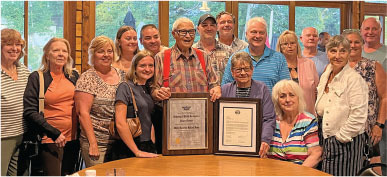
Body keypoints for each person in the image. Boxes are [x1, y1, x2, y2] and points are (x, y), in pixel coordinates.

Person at [23, 38, 80, 176]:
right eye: (56, 50)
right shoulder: (37, 77)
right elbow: (29, 111)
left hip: (73, 139)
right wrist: (54, 133)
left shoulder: (74, 76)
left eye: (64, 51)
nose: (61, 54)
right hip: (50, 139)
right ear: (47, 55)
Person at [315, 35, 368, 176]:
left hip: (346, 142)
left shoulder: (354, 79)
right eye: (333, 51)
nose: (337, 56)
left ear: (349, 53)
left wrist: (340, 138)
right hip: (325, 138)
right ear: (327, 53)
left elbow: (359, 116)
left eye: (342, 51)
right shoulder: (326, 75)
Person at [75, 36, 125, 167]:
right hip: (98, 143)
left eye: (109, 51)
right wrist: (93, 143)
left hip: (121, 142)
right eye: (101, 51)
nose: (106, 55)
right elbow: (83, 113)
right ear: (93, 54)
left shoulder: (122, 75)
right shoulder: (87, 79)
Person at [343, 29, 387, 174]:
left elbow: (384, 97)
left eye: (357, 42)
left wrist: (379, 125)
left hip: (368, 131)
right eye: (349, 42)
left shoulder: (374, 66)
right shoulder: (336, 67)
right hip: (342, 132)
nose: (353, 45)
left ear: (362, 44)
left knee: (371, 171)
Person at [152, 17, 221, 102]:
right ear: (174, 34)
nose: (188, 36)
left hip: (200, 112)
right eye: (183, 32)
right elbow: (153, 89)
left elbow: (214, 84)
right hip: (173, 113)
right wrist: (158, 93)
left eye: (191, 32)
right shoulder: (161, 57)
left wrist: (216, 89)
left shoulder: (204, 56)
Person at [221, 51, 275, 158]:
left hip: (255, 144)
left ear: (252, 69)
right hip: (229, 144)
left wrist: (265, 139)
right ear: (232, 72)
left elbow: (269, 118)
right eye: (238, 69)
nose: (242, 73)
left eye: (246, 69)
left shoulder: (262, 88)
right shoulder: (225, 89)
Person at [111, 50, 159, 159]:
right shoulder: (125, 87)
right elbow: (120, 123)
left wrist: (152, 144)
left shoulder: (147, 88)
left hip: (146, 145)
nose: (147, 69)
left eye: (151, 65)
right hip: (129, 147)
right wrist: (136, 151)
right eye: (143, 65)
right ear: (135, 68)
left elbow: (148, 118)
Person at [222, 17, 290, 92]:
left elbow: (286, 89)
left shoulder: (279, 59)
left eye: (261, 33)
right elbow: (225, 89)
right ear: (246, 34)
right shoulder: (235, 58)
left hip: (270, 103)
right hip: (241, 103)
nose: (257, 36)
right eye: (254, 32)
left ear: (266, 35)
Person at [268, 80, 321, 167]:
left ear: (298, 98)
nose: (287, 100)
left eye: (292, 95)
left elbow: (316, 154)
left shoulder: (308, 121)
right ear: (277, 100)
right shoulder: (272, 121)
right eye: (282, 96)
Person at [1, 28, 30, 176]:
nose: (14, 48)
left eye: (18, 44)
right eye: (9, 44)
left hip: (22, 135)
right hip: (3, 137)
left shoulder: (23, 70)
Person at [361, 17, 387, 176]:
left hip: (382, 116)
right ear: (361, 31)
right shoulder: (354, 51)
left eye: (374, 29)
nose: (370, 32)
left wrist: (381, 122)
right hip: (360, 116)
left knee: (383, 155)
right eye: (367, 29)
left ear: (380, 31)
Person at [275, 30, 319, 115]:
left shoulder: (309, 64)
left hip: (308, 115)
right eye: (285, 44)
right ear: (280, 47)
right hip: (283, 116)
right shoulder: (276, 66)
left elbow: (317, 90)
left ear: (297, 45)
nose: (289, 46)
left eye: (292, 43)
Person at [193, 13, 232, 83]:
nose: (209, 28)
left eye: (212, 25)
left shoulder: (229, 51)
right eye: (204, 25)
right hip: (199, 93)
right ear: (198, 29)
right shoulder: (191, 51)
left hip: (224, 93)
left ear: (217, 28)